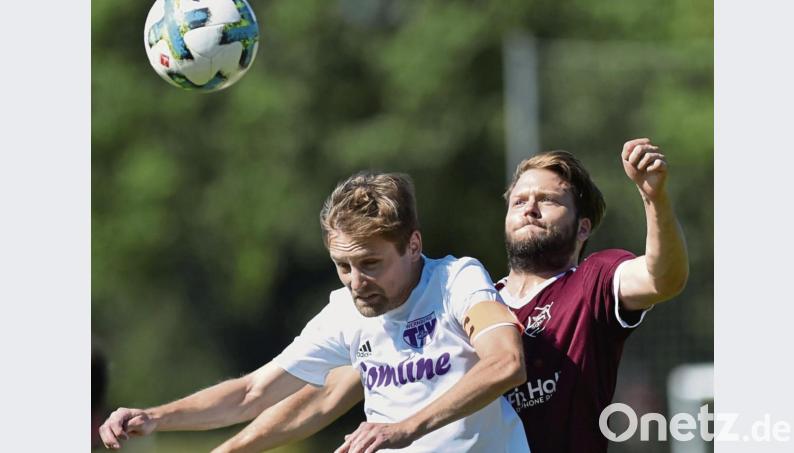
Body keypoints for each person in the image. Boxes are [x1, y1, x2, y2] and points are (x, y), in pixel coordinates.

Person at [210, 138, 689, 453]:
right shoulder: (475, 301)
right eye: (520, 200)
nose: (530, 208)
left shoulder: (592, 281)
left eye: (549, 200)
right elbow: (330, 392)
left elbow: (661, 278)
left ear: (582, 227)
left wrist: (654, 199)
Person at [99, 172, 530, 453]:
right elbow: (252, 393)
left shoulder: (456, 280)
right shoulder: (346, 311)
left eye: (371, 263)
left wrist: (405, 428)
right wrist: (156, 417)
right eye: (343, 266)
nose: (355, 281)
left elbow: (506, 363)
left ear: (413, 246)